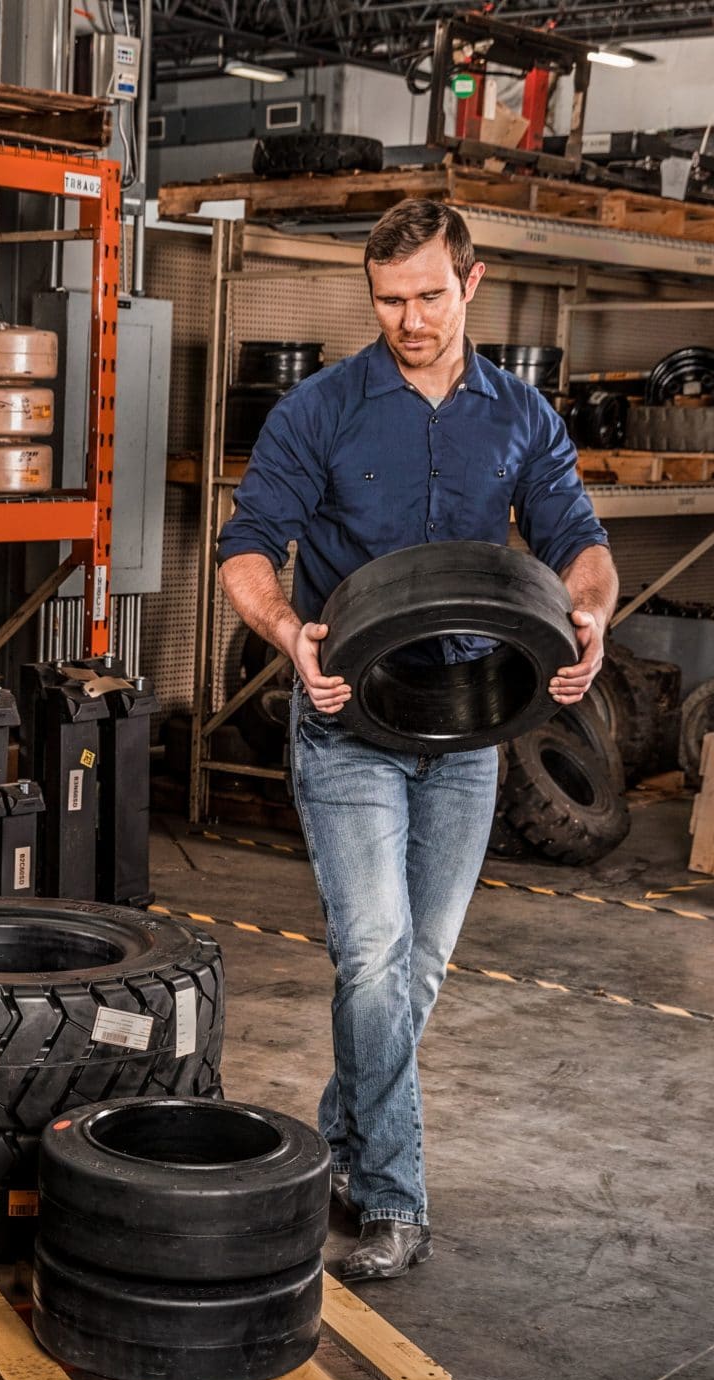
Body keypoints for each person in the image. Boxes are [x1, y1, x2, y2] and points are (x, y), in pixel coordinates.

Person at [215, 197, 617, 1283]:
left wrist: (590, 614)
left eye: (430, 296)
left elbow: (578, 541)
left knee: (417, 966)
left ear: (471, 283)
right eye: (389, 300)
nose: (411, 320)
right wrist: (286, 630)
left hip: (472, 724)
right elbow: (248, 545)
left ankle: (340, 1142)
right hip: (348, 717)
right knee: (373, 952)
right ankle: (394, 1197)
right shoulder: (320, 410)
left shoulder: (521, 416)